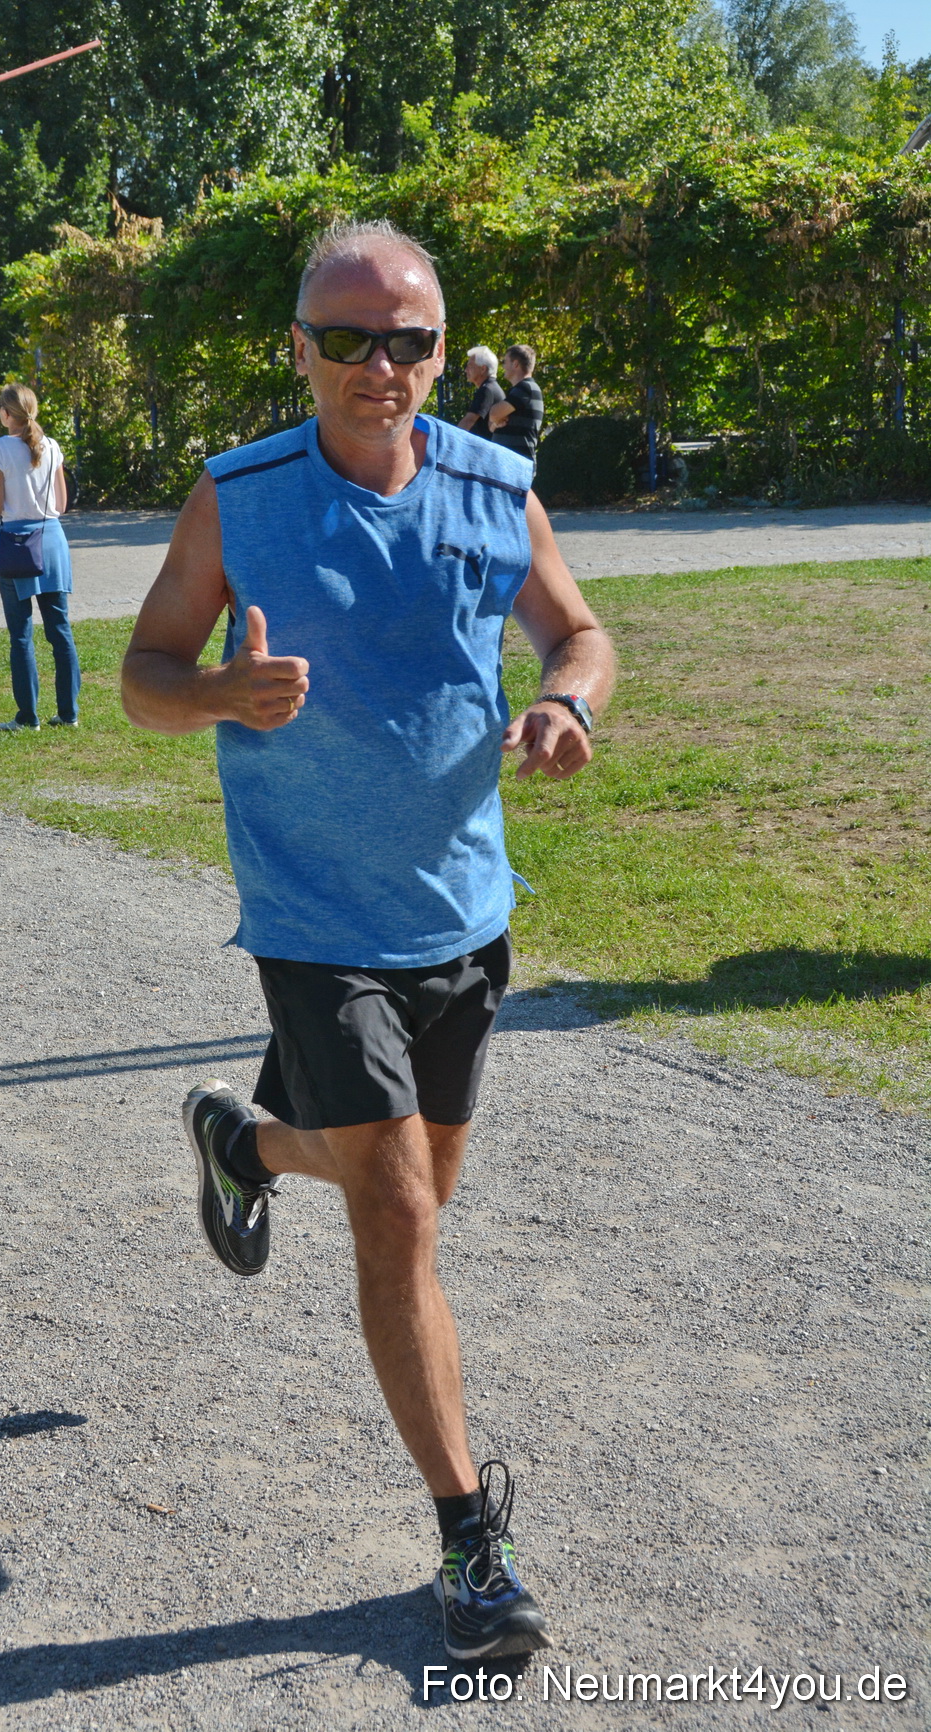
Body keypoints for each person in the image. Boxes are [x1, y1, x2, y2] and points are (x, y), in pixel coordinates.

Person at [122, 219, 615, 1660]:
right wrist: (219, 693)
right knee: (395, 1212)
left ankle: (244, 1141)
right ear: (298, 350)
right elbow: (145, 678)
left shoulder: (492, 486)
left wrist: (566, 703)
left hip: (458, 910)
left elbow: (577, 631)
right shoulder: (238, 496)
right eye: (345, 339)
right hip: (312, 915)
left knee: (401, 1193)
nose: (376, 366)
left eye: (404, 341)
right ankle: (471, 1544)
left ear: (436, 353)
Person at [0, 384, 79, 731]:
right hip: (52, 539)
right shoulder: (52, 446)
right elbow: (61, 505)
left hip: (17, 542)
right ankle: (68, 713)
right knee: (60, 630)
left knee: (21, 633)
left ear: (7, 414)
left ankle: (27, 717)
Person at [488, 345, 544, 464]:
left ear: (515, 364)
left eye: (505, 362)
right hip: (512, 464)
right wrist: (496, 421)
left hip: (517, 464)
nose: (503, 366)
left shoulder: (525, 388)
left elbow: (493, 414)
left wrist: (496, 419)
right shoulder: (521, 390)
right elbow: (491, 425)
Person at [457, 346, 504, 439]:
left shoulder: (487, 390)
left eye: (470, 366)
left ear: (483, 369)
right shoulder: (492, 387)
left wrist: (452, 439)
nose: (466, 370)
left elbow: (469, 421)